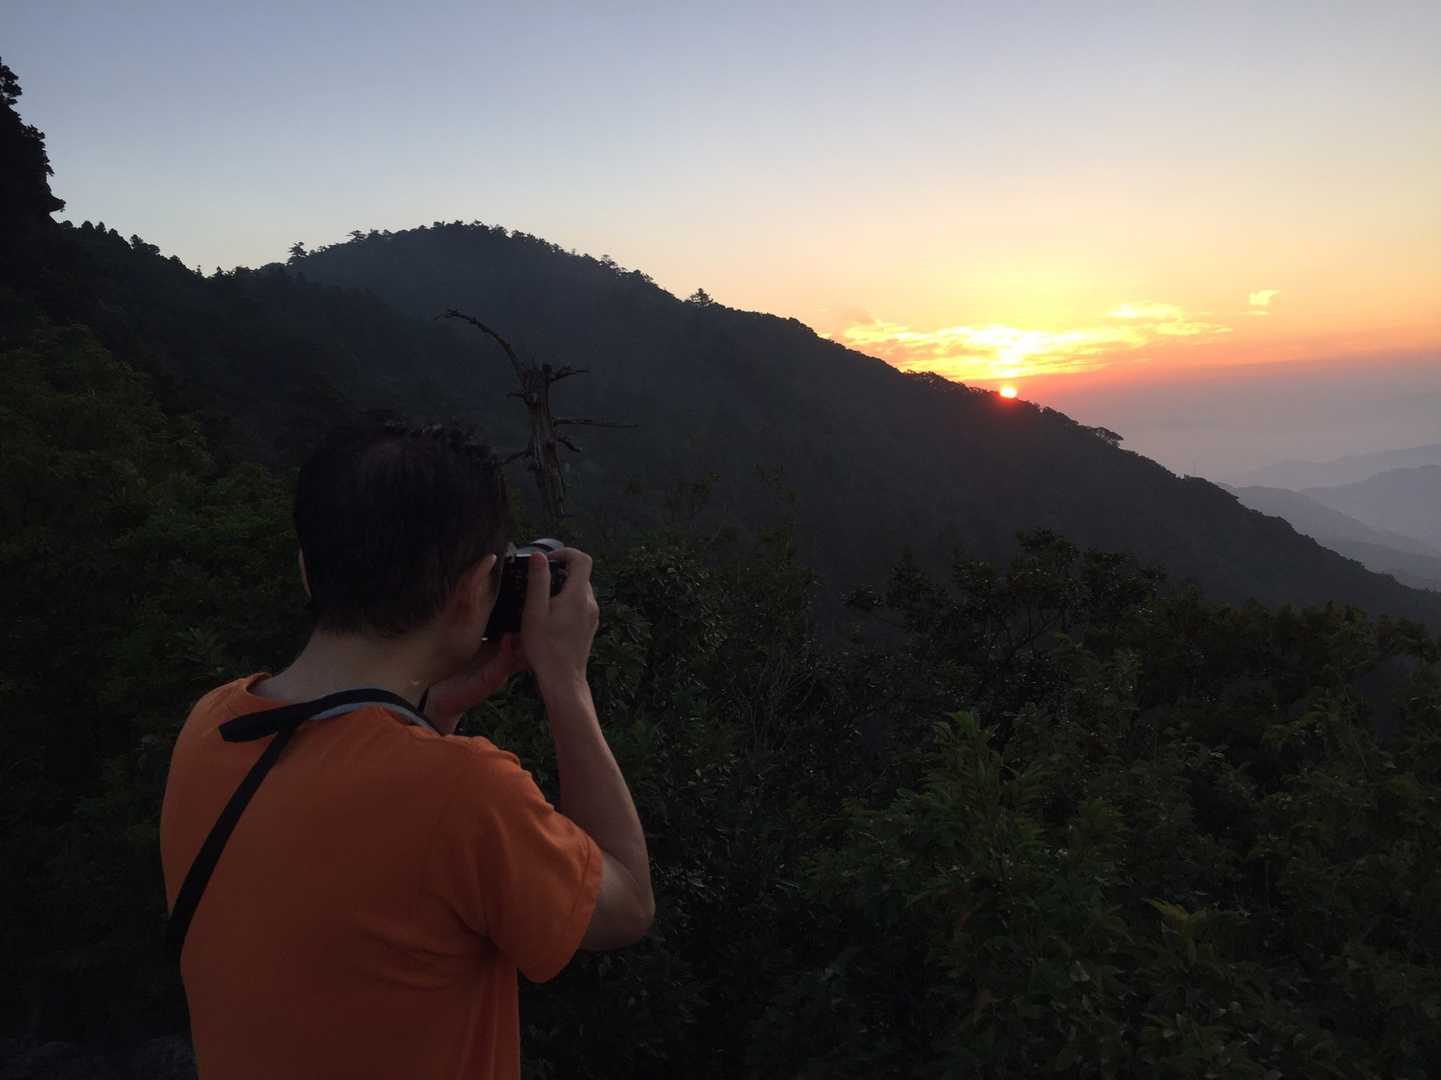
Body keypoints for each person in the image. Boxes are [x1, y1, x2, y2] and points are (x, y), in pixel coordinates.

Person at [159, 419, 653, 1080]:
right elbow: (626, 906)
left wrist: (434, 711)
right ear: (476, 589)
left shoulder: (212, 723)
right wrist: (566, 681)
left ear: (307, 568)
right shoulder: (465, 794)